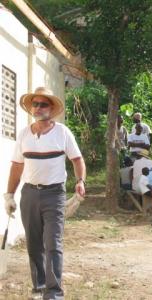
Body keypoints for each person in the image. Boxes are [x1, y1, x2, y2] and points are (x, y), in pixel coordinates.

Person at [3, 87, 86, 300]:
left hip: (54, 194)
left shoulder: (63, 132)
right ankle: (39, 287)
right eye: (36, 104)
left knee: (53, 243)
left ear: (51, 109)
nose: (38, 108)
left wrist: (80, 181)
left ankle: (54, 293)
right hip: (29, 194)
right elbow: (16, 167)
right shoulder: (24, 135)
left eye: (43, 104)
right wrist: (9, 195)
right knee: (33, 244)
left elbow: (77, 160)